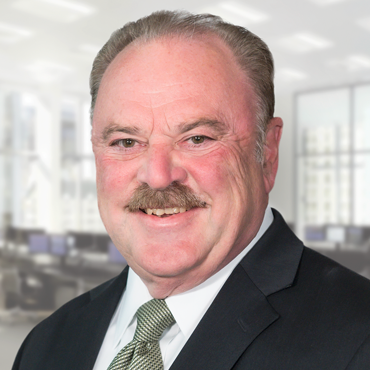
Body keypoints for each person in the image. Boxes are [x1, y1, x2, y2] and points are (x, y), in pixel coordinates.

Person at [13, 10, 370, 370]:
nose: (157, 176)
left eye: (197, 138)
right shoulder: (46, 344)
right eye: (125, 142)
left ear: (268, 152)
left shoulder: (358, 339)